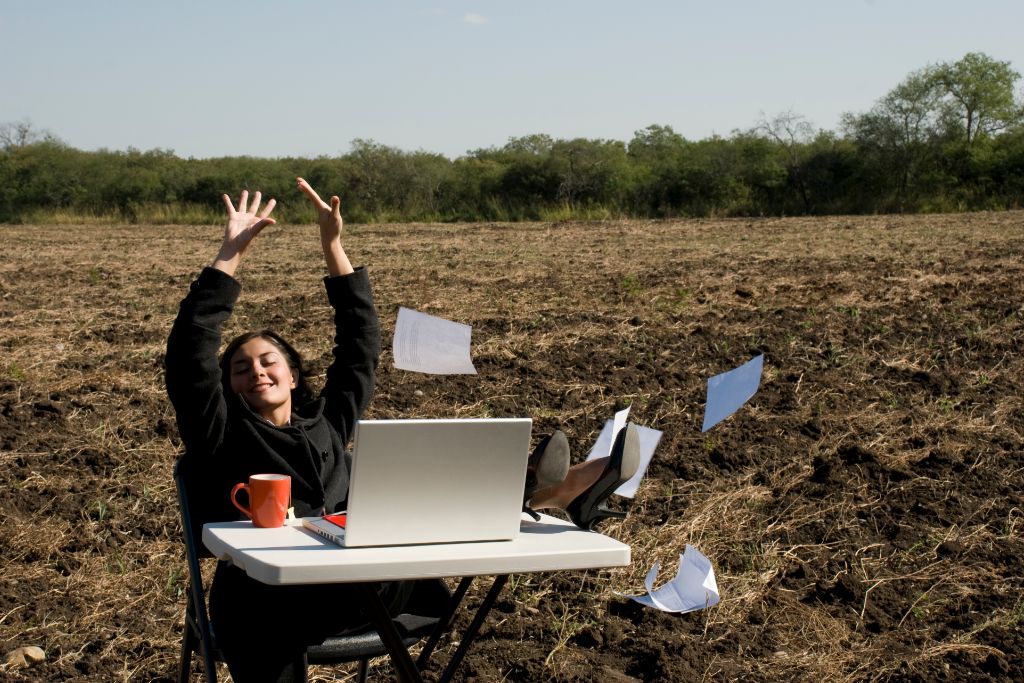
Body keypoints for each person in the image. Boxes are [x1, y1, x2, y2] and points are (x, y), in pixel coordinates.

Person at [165, 179, 639, 681]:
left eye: (268, 361)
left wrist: (334, 247)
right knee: (342, 586)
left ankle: (537, 492)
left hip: (353, 582)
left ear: (294, 373)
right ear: (229, 384)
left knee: (413, 517)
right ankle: (542, 494)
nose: (256, 371)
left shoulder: (327, 422)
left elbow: (360, 344)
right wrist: (229, 254)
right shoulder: (218, 431)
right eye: (241, 367)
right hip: (267, 599)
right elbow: (190, 353)